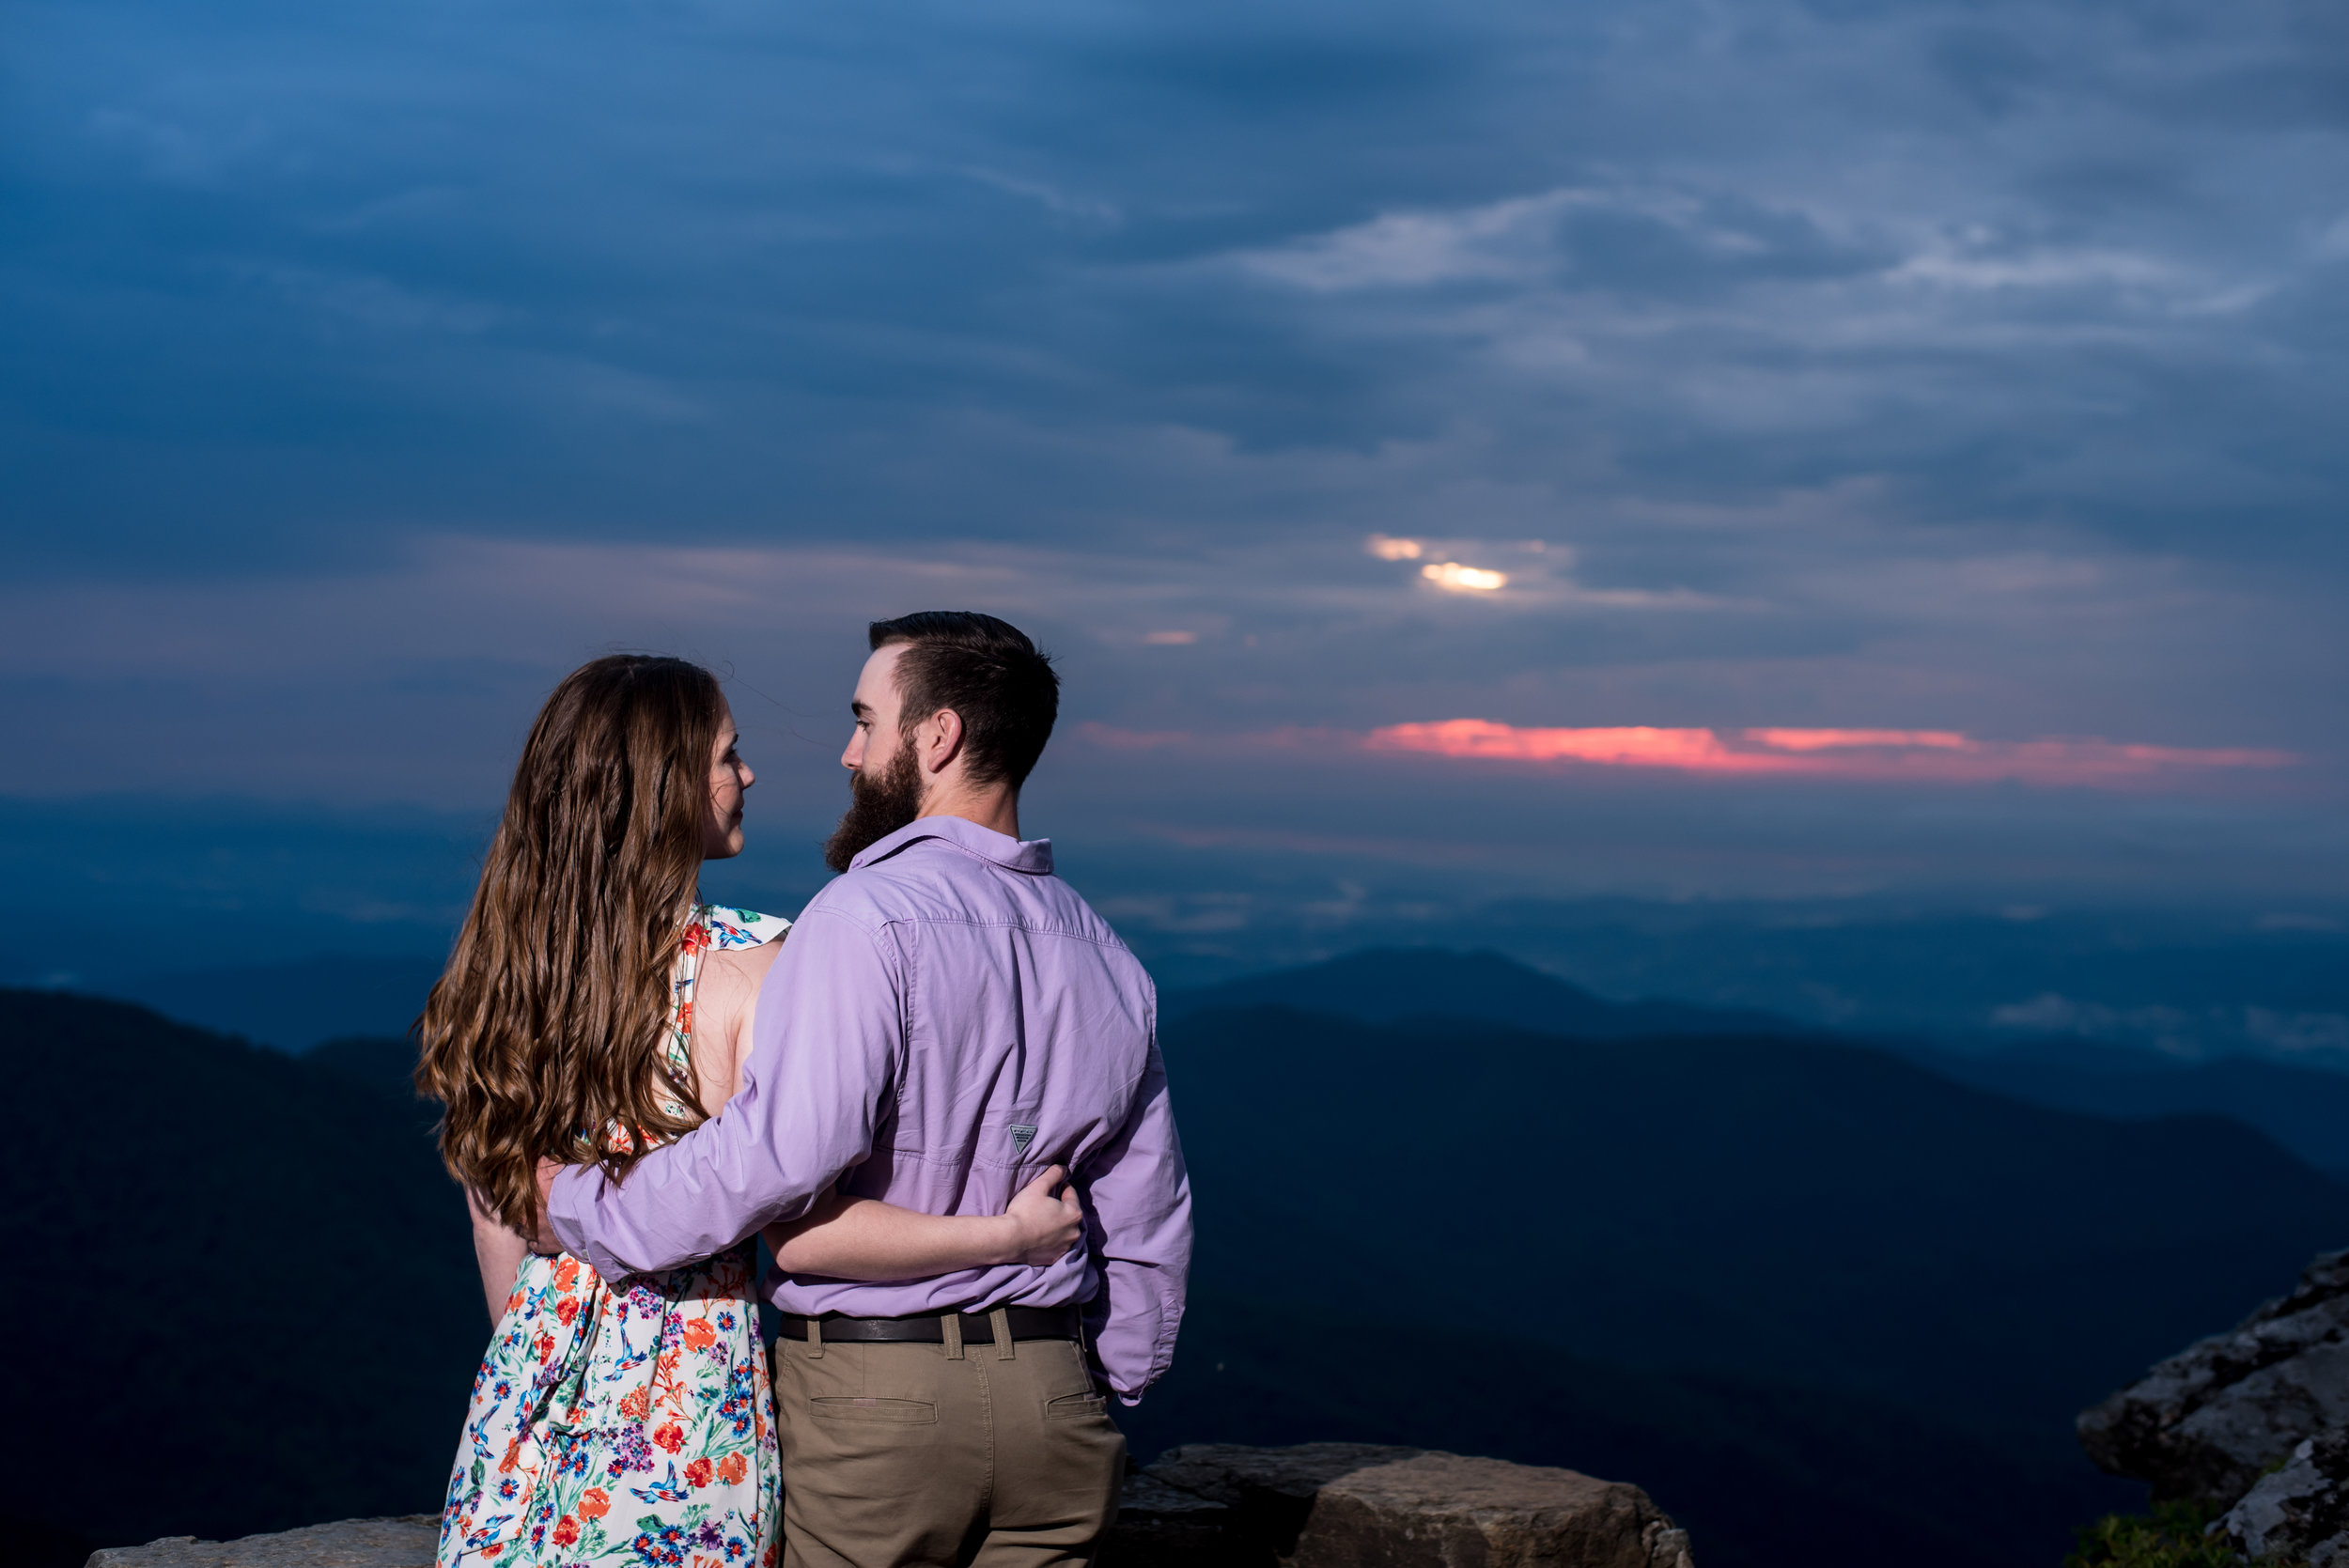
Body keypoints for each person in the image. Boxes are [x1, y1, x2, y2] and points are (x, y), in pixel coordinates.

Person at [538, 613, 1194, 1568]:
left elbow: (775, 1158)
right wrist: (1105, 1384)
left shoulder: (862, 916)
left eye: (866, 720)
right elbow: (1148, 1213)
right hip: (1058, 1406)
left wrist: (583, 1203)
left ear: (937, 737)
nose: (848, 752)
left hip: (876, 1397)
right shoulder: (1107, 956)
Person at [417, 654, 1087, 1568]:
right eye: (727, 755)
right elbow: (799, 1224)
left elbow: (499, 1218)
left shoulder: (499, 979)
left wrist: (548, 1361)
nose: (747, 775)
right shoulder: (753, 965)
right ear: (660, 788)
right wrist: (1008, 1235)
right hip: (692, 1407)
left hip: (530, 1391)